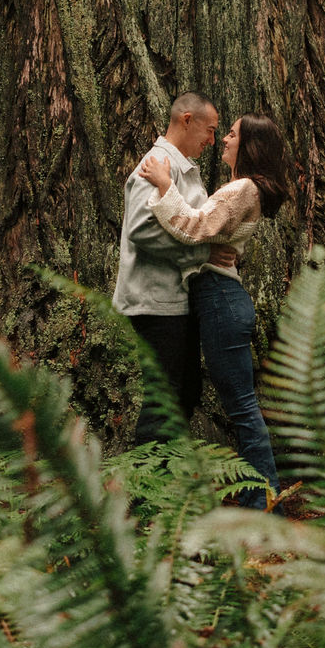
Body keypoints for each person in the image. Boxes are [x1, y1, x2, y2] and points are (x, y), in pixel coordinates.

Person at [136, 112, 290, 510]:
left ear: (250, 145)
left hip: (221, 299)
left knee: (241, 406)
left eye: (233, 134)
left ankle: (265, 501)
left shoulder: (243, 189)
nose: (224, 139)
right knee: (240, 405)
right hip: (219, 300)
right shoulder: (244, 189)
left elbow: (194, 227)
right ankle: (263, 497)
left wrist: (165, 184)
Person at [114, 90, 219, 444]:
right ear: (187, 120)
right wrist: (197, 255)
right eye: (210, 130)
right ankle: (145, 491)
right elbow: (141, 228)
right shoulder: (158, 163)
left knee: (185, 393)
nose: (212, 140)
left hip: (175, 303)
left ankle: (163, 481)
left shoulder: (182, 167)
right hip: (155, 303)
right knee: (165, 399)